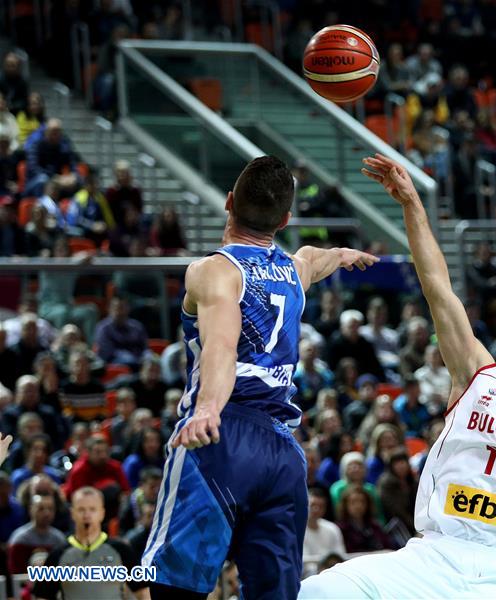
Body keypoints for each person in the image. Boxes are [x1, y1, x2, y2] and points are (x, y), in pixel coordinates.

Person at [297, 155, 496, 598]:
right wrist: (412, 206)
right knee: (317, 593)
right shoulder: (480, 374)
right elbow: (437, 286)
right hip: (434, 555)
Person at [140, 156, 377, 600]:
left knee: (174, 587)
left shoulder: (215, 270)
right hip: (285, 455)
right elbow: (315, 258)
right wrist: (344, 255)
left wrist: (208, 408)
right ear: (285, 219)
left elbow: (222, 347)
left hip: (223, 438)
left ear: (229, 202)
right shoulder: (294, 270)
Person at [33, 486, 150, 600]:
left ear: (102, 513)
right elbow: (43, 596)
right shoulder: (57, 555)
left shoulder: (122, 550)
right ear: (72, 513)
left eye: (92, 509)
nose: (86, 515)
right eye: (81, 509)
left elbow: (143, 593)